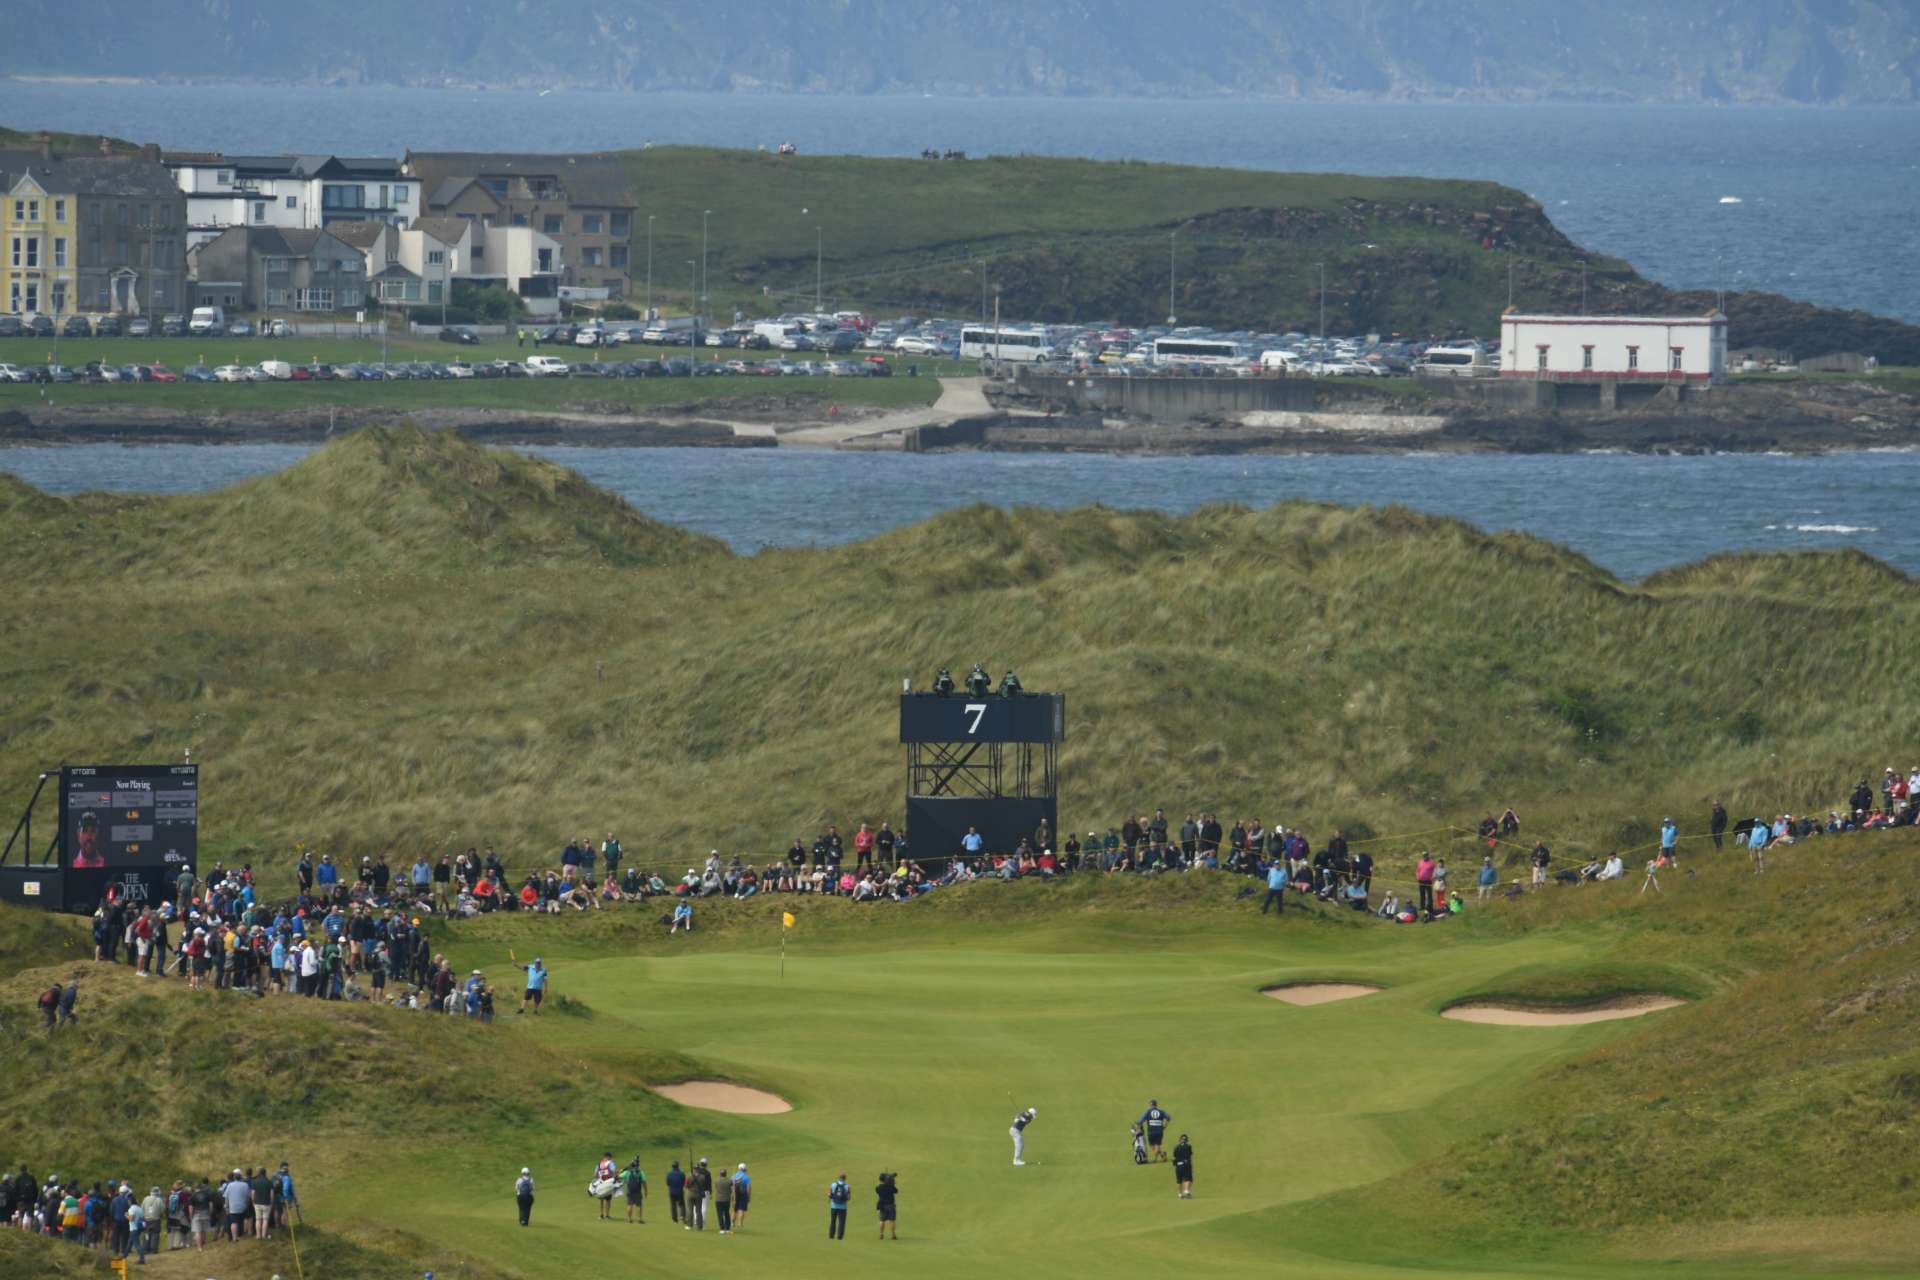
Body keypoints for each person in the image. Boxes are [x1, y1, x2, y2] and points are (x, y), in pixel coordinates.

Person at [874, 1171, 898, 1240]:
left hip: (882, 1206)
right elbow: (896, 1191)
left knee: (882, 1220)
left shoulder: (878, 1188)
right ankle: (893, 1234)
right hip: (891, 1205)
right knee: (892, 1220)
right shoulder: (890, 1187)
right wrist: (892, 1183)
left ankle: (881, 1234)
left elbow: (878, 1188)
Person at [621, 1158, 646, 1224]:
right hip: (638, 1191)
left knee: (629, 1205)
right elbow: (644, 1182)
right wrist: (646, 1191)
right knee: (638, 1205)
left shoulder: (627, 1172)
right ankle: (640, 1219)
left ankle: (629, 1219)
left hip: (630, 1191)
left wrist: (622, 1170)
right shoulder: (641, 1172)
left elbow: (618, 1177)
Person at [827, 1172, 850, 1239]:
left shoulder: (833, 1184)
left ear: (839, 1177)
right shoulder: (847, 1186)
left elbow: (829, 1194)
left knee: (833, 1221)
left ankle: (831, 1235)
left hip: (834, 1206)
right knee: (841, 1222)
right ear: (845, 1178)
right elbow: (849, 1198)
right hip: (843, 1207)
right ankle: (840, 1236)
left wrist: (831, 1197)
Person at [713, 1159, 733, 1234]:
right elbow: (731, 1189)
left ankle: (722, 1229)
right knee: (727, 1213)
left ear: (720, 1174)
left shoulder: (716, 1180)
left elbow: (716, 1187)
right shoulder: (729, 1181)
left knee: (720, 1214)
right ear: (725, 1174)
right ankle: (727, 1228)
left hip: (718, 1200)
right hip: (727, 1200)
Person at [1415, 852, 1437, 917]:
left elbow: (1435, 871)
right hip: (1421, 880)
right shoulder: (1420, 862)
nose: (1424, 856)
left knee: (1429, 895)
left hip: (1428, 881)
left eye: (1425, 855)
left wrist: (1432, 878)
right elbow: (1417, 870)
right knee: (1422, 894)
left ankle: (1430, 907)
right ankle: (1422, 906)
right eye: (1423, 855)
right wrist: (1417, 876)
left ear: (1428, 856)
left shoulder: (1431, 863)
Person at [1172, 1134, 1194, 1198]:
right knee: (1188, 1179)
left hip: (1178, 1166)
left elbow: (1174, 1158)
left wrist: (1175, 1164)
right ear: (1186, 1140)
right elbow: (1190, 1156)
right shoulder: (1188, 1146)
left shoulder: (1176, 1147)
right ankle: (1186, 1190)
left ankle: (1180, 1194)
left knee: (1179, 1181)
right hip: (1186, 1165)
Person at [731, 1164, 750, 1232]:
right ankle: (740, 1223)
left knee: (734, 1209)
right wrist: (748, 1197)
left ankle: (732, 1223)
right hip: (743, 1195)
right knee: (742, 1209)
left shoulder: (733, 1176)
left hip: (735, 1195)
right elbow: (748, 1188)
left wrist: (732, 1196)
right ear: (744, 1169)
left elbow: (731, 1187)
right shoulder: (746, 1177)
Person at [665, 1160, 686, 1226]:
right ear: (678, 1166)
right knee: (681, 1204)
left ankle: (674, 1219)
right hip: (679, 1191)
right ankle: (682, 1215)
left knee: (673, 1205)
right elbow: (684, 1182)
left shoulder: (669, 1174)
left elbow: (668, 1183)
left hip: (672, 1191)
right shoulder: (682, 1174)